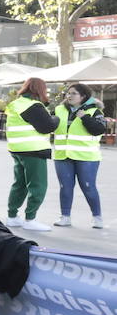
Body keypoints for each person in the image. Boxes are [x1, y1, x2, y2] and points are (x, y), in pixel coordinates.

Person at [5, 77, 61, 232]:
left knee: (19, 184)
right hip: (34, 150)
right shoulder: (33, 106)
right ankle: (30, 219)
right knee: (38, 185)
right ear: (40, 90)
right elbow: (48, 126)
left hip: (17, 149)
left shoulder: (16, 104)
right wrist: (56, 118)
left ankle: (12, 216)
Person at [52, 82, 106, 228]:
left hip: (86, 157)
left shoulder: (95, 112)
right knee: (65, 187)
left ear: (83, 96)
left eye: (73, 93)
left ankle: (97, 217)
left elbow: (99, 130)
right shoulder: (59, 109)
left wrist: (85, 117)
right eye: (68, 93)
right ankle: (65, 217)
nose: (69, 96)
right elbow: (49, 126)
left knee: (88, 187)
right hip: (63, 156)